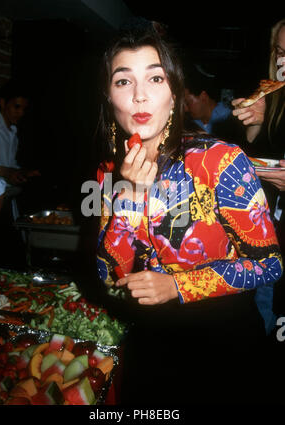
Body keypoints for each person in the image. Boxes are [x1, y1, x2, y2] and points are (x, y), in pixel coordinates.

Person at [94, 21, 283, 405]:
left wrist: (178, 286)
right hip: (153, 344)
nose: (141, 97)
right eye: (124, 81)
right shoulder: (110, 172)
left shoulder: (220, 161)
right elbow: (110, 276)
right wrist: (129, 195)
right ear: (109, 95)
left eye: (156, 79)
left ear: (175, 93)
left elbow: (270, 264)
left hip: (222, 346)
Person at [232, 18, 285, 317]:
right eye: (279, 51)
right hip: (271, 224)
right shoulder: (276, 93)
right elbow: (256, 144)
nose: (283, 60)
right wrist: (257, 118)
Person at [0, 80, 39, 269]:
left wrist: (22, 172)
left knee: (11, 258)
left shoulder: (12, 132)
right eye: (16, 107)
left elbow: (8, 165)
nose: (21, 113)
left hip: (6, 201)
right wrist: (6, 171)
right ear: (2, 103)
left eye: (24, 108)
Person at [183, 64, 246, 146]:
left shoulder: (230, 117)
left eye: (188, 103)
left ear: (203, 97)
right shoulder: (190, 124)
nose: (185, 109)